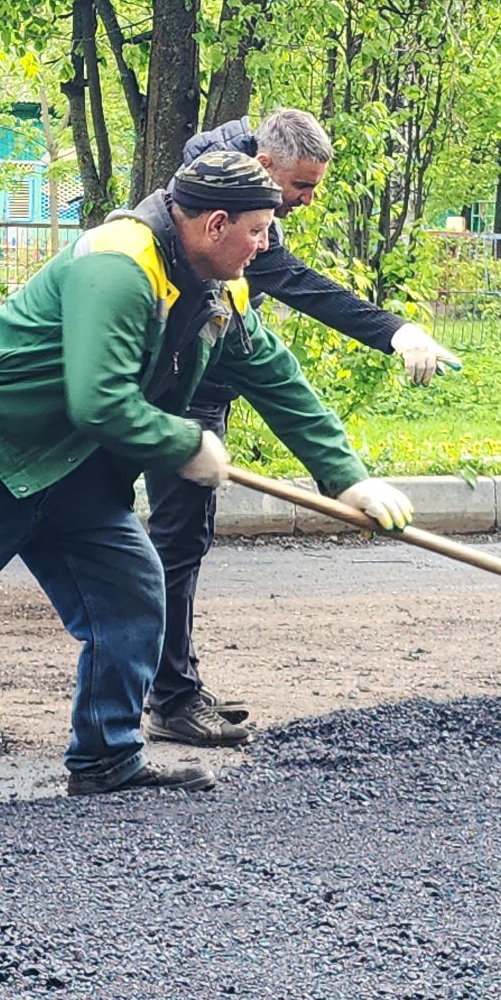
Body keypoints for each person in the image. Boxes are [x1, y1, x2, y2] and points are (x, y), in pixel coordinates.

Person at [0, 151, 417, 833]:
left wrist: (348, 478)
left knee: (130, 595)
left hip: (79, 471)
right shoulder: (118, 267)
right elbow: (99, 401)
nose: (268, 245)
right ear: (215, 224)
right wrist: (187, 445)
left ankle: (106, 759)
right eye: (261, 229)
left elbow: (275, 376)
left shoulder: (218, 289)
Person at [143, 109, 461, 748]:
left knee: (183, 539)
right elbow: (293, 283)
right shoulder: (222, 204)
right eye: (301, 188)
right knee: (172, 543)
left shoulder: (241, 198)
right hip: (173, 383)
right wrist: (394, 331)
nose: (306, 203)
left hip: (211, 364)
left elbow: (273, 362)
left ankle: (172, 685)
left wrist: (346, 477)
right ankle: (167, 700)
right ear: (264, 167)